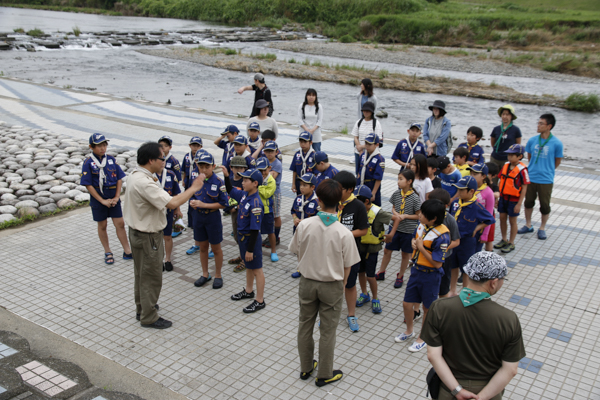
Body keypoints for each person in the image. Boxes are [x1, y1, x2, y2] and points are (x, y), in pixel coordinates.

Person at [421, 252, 525, 400]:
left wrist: (457, 390)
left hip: (449, 388)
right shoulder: (508, 319)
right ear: (493, 282)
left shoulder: (439, 308)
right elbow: (510, 370)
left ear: (468, 274)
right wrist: (481, 397)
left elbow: (433, 355)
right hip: (490, 389)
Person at [123, 141, 205, 329]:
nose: (164, 162)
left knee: (141, 274)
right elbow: (172, 202)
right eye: (162, 158)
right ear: (151, 160)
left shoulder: (136, 176)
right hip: (148, 236)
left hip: (137, 233)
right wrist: (194, 188)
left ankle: (142, 308)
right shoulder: (145, 183)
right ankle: (149, 316)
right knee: (151, 276)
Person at [289, 179, 360, 388]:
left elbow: (297, 252)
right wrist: (342, 282)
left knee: (305, 325)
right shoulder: (344, 233)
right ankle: (324, 374)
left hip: (307, 282)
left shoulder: (304, 224)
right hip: (333, 284)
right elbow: (348, 265)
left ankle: (305, 367)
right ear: (340, 202)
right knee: (328, 330)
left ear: (318, 200)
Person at [394, 199, 450, 353]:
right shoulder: (422, 226)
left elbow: (438, 264)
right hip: (416, 271)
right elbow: (416, 237)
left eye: (423, 214)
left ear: (433, 219)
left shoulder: (442, 236)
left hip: (431, 276)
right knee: (407, 303)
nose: (420, 216)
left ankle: (422, 337)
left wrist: (421, 248)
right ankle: (409, 331)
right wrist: (414, 242)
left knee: (427, 308)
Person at [80, 133, 132, 265]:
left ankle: (127, 250)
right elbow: (88, 184)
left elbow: (119, 178)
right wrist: (101, 200)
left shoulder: (111, 159)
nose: (102, 148)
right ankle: (107, 251)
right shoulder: (88, 163)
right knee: (102, 225)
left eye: (104, 145)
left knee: (120, 223)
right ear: (91, 147)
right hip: (98, 198)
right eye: (99, 146)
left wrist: (116, 197)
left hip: (113, 196)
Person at [333, 171, 369, 332]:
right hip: (333, 252)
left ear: (349, 190)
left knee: (350, 284)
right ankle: (330, 314)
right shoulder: (332, 202)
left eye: (339, 188)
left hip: (351, 253)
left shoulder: (358, 206)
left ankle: (351, 314)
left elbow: (363, 230)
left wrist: (345, 235)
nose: (335, 191)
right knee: (332, 284)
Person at [226, 169, 266, 313]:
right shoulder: (244, 195)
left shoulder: (256, 203)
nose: (242, 182)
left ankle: (260, 300)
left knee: (257, 269)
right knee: (249, 267)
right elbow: (230, 190)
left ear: (255, 183)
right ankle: (249, 291)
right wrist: (226, 175)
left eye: (245, 181)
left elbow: (255, 230)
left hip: (251, 241)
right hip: (243, 240)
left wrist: (250, 250)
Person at [447, 176, 495, 296]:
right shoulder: (455, 204)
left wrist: (477, 228)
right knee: (453, 265)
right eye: (458, 189)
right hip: (453, 240)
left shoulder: (476, 207)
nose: (459, 192)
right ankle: (452, 290)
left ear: (471, 191)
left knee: (466, 268)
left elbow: (490, 219)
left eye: (462, 190)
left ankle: (465, 291)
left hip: (467, 242)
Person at [190, 152, 230, 289]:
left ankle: (218, 274)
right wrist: (192, 202)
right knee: (202, 247)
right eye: (201, 166)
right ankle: (205, 274)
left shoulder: (219, 182)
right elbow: (191, 195)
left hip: (212, 218)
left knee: (216, 248)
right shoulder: (196, 180)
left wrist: (204, 205)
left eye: (207, 166)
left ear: (213, 166)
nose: (204, 169)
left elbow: (224, 203)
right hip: (199, 217)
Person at [374, 170, 420, 290]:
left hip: (408, 230)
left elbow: (418, 215)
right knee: (387, 250)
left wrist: (405, 216)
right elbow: (393, 208)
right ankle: (381, 272)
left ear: (409, 181)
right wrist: (396, 214)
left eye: (401, 179)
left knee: (405, 254)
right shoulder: (396, 194)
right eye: (398, 179)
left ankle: (400, 276)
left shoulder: (415, 197)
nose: (398, 182)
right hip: (394, 228)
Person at [521, 113, 563, 240]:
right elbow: (529, 157)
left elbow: (557, 161)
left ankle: (542, 228)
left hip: (546, 179)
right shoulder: (533, 140)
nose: (538, 126)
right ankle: (528, 224)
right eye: (538, 123)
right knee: (528, 202)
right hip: (531, 176)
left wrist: (548, 170)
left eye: (541, 123)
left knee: (544, 205)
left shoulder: (557, 143)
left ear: (549, 126)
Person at [355, 185, 392, 314]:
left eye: (357, 201)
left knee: (370, 276)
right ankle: (365, 294)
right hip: (360, 247)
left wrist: (391, 235)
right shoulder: (358, 211)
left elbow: (396, 218)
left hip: (372, 248)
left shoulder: (378, 212)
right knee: (360, 272)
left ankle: (375, 298)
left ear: (366, 201)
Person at [494, 144, 530, 254]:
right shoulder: (505, 166)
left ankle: (511, 242)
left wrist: (519, 204)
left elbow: (524, 188)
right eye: (508, 155)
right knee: (502, 218)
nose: (509, 157)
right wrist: (498, 198)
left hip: (514, 199)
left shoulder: (522, 170)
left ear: (519, 156)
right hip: (503, 197)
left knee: (512, 220)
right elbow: (501, 181)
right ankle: (504, 239)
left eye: (512, 155)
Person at [428, 189, 461, 299]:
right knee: (426, 285)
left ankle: (443, 309)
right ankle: (418, 309)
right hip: (428, 257)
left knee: (443, 287)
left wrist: (444, 248)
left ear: (446, 205)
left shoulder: (450, 220)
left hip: (444, 258)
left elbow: (456, 241)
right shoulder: (426, 218)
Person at [154, 159, 182, 272]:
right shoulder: (150, 176)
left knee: (167, 236)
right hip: (155, 212)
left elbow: (175, 193)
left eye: (163, 160)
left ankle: (168, 259)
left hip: (168, 211)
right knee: (156, 238)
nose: (162, 162)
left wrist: (177, 209)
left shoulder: (170, 174)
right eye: (159, 160)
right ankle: (158, 260)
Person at [220, 156, 247, 272]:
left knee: (243, 236)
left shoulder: (246, 181)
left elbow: (247, 197)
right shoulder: (229, 181)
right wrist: (229, 208)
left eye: (241, 168)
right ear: (231, 168)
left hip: (243, 213)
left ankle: (245, 259)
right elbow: (225, 195)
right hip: (234, 212)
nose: (239, 170)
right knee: (236, 235)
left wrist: (236, 207)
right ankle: (242, 255)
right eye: (236, 168)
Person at [290, 173, 320, 278]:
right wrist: (295, 218)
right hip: (298, 230)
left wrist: (306, 221)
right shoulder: (298, 198)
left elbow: (318, 217)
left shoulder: (317, 201)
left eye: (305, 185)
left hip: (310, 231)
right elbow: (293, 210)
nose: (301, 187)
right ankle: (300, 269)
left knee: (310, 250)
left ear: (312, 187)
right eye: (300, 185)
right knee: (299, 250)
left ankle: (311, 270)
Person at [182, 136, 203, 255]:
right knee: (194, 220)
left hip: (204, 200)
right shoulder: (187, 157)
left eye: (197, 145)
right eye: (193, 145)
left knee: (205, 224)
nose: (195, 148)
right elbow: (185, 171)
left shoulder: (209, 175)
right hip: (192, 194)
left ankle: (208, 245)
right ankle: (196, 244)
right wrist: (184, 181)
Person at [468, 163, 495, 253]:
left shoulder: (488, 192)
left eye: (475, 174)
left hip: (479, 229)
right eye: (471, 173)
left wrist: (485, 234)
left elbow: (489, 216)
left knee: (475, 253)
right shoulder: (468, 188)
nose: (472, 176)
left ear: (483, 176)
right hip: (467, 225)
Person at [256, 157, 279, 262]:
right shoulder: (255, 178)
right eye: (259, 170)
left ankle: (273, 251)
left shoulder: (271, 180)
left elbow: (267, 194)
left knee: (270, 232)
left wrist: (258, 187)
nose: (262, 173)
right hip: (255, 210)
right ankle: (256, 250)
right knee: (255, 232)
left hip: (267, 211)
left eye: (264, 170)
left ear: (269, 168)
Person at [351, 101, 383, 174]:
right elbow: (355, 136)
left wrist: (362, 147)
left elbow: (377, 140)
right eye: (364, 111)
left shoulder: (376, 123)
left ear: (372, 112)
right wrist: (359, 149)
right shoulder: (359, 122)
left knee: (369, 173)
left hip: (371, 153)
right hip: (358, 152)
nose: (365, 112)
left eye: (368, 111)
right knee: (358, 172)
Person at [262, 140, 283, 248]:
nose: (269, 153)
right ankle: (270, 236)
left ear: (276, 152)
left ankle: (276, 236)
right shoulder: (263, 161)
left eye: (272, 151)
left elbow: (269, 178)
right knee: (269, 215)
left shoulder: (277, 164)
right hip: (265, 193)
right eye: (267, 151)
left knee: (276, 215)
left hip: (275, 193)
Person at [356, 133, 385, 207]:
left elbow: (378, 178)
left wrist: (373, 193)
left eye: (370, 144)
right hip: (361, 185)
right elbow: (358, 171)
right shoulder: (363, 155)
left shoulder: (380, 159)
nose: (367, 146)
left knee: (372, 209)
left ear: (376, 145)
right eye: (366, 143)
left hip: (371, 186)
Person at [490, 104, 522, 171]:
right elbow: (493, 143)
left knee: (505, 179)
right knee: (492, 179)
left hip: (508, 159)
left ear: (511, 116)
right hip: (495, 158)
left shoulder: (516, 130)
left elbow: (517, 145)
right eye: (503, 114)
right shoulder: (496, 129)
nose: (505, 116)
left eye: (507, 114)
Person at [485, 162, 501, 252]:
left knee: (489, 238)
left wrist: (488, 194)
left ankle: (489, 255)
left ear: (494, 176)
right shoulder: (478, 184)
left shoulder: (493, 187)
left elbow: (497, 194)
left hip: (490, 214)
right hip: (477, 213)